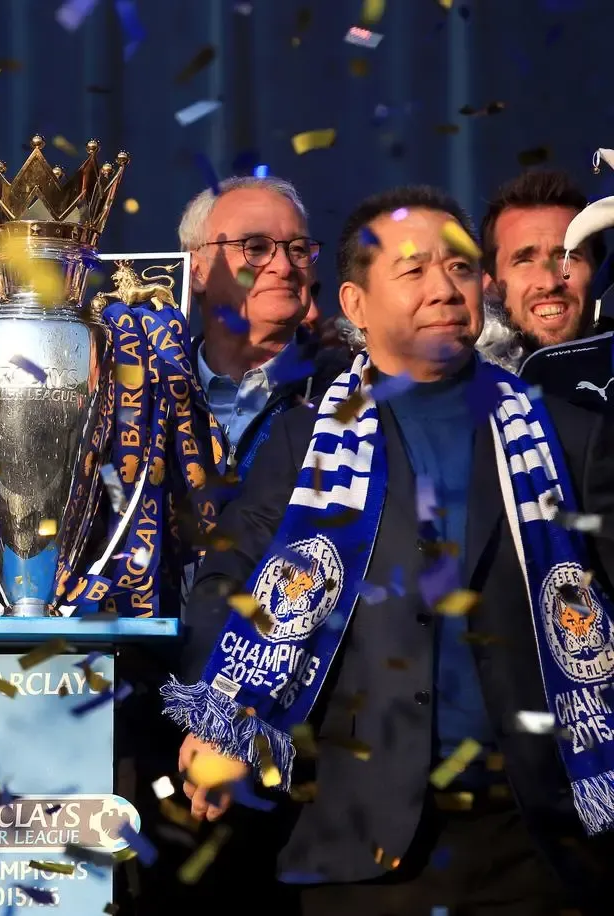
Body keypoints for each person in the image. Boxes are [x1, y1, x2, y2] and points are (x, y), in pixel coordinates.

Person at [167, 185, 614, 914]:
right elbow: (227, 577)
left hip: (540, 847)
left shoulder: (570, 435)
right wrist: (222, 716)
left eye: (462, 268)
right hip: (363, 851)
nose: (444, 287)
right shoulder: (305, 438)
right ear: (356, 303)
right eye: (413, 271)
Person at [177, 176, 348, 476]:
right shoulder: (151, 391)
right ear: (197, 271)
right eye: (254, 248)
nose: (284, 267)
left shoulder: (349, 387)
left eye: (298, 249)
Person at [476, 169, 607, 372]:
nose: (549, 282)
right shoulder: (463, 391)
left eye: (568, 257)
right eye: (524, 261)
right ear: (489, 282)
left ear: (598, 268)